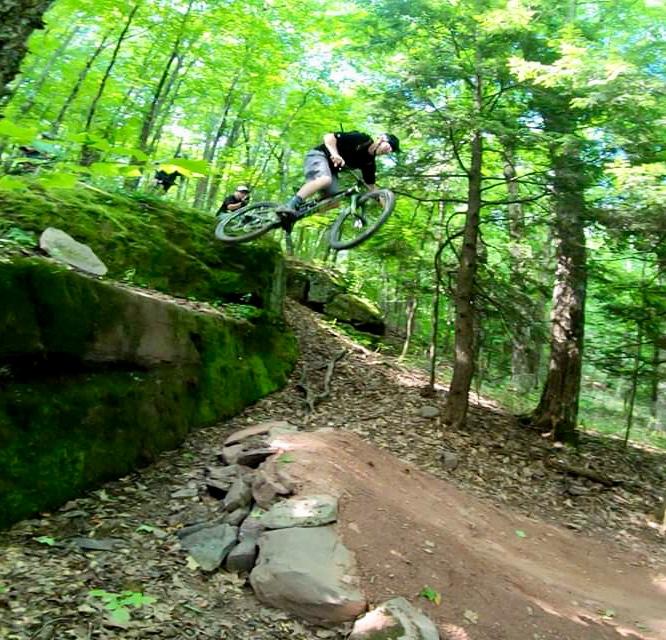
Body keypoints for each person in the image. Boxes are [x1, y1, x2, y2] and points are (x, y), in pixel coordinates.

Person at [279, 131, 400, 216]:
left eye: (391, 151)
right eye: (389, 146)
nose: (389, 151)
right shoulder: (362, 139)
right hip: (319, 155)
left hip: (331, 171)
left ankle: (298, 214)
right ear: (381, 138)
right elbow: (329, 137)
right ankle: (290, 205)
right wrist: (335, 154)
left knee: (333, 203)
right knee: (325, 179)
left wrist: (386, 206)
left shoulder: (369, 163)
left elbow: (371, 187)